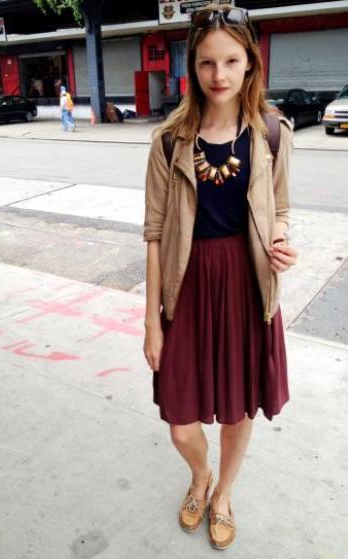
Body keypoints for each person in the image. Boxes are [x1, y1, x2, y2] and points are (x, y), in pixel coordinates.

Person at [143, 3, 298, 551]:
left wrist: (279, 240)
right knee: (181, 422)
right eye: (207, 62)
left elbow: (280, 207)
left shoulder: (272, 132)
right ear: (192, 66)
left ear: (250, 62)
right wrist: (152, 322)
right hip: (186, 288)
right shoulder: (169, 140)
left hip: (246, 286)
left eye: (231, 60)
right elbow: (155, 233)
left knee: (238, 406)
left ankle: (224, 493)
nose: (219, 74)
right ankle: (200, 475)